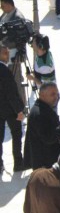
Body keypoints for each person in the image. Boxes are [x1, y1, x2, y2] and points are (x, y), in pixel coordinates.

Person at [24, 83, 60, 169]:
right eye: (52, 94)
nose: (56, 97)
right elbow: (48, 137)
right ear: (42, 95)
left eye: (57, 94)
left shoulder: (44, 108)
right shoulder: (39, 114)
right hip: (44, 163)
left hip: (48, 160)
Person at [0, 43, 26, 172]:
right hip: (10, 110)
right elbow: (11, 93)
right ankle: (18, 163)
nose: (7, 55)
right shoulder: (4, 71)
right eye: (5, 53)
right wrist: (19, 110)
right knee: (16, 135)